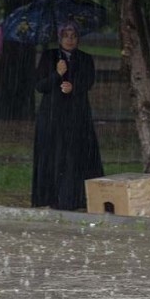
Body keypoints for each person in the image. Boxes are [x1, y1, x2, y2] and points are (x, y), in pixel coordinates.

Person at [31, 21, 104, 211]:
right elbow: (40, 86)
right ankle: (52, 197)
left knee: (74, 155)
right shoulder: (49, 57)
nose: (70, 40)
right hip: (53, 115)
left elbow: (88, 81)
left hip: (76, 115)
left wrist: (73, 87)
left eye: (73, 36)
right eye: (66, 36)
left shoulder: (85, 59)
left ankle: (74, 198)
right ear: (59, 38)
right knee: (55, 156)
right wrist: (57, 74)